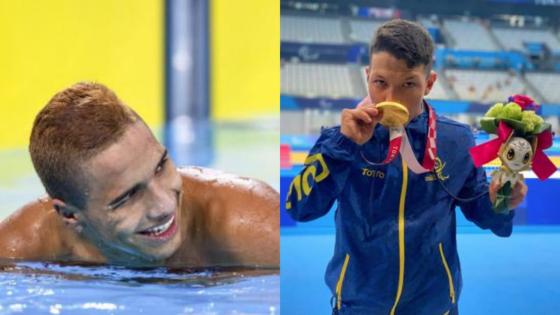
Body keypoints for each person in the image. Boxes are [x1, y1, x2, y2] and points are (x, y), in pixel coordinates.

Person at [285, 19, 527, 314]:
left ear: (429, 84)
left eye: (408, 84)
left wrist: (500, 202)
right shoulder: (341, 139)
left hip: (434, 306)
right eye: (380, 83)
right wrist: (343, 147)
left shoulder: (456, 139)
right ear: (367, 76)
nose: (391, 98)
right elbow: (299, 207)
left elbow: (486, 215)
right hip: (358, 307)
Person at [0, 82, 279, 268]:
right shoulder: (17, 255)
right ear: (70, 215)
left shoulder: (256, 231)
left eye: (161, 166)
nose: (164, 206)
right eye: (127, 196)